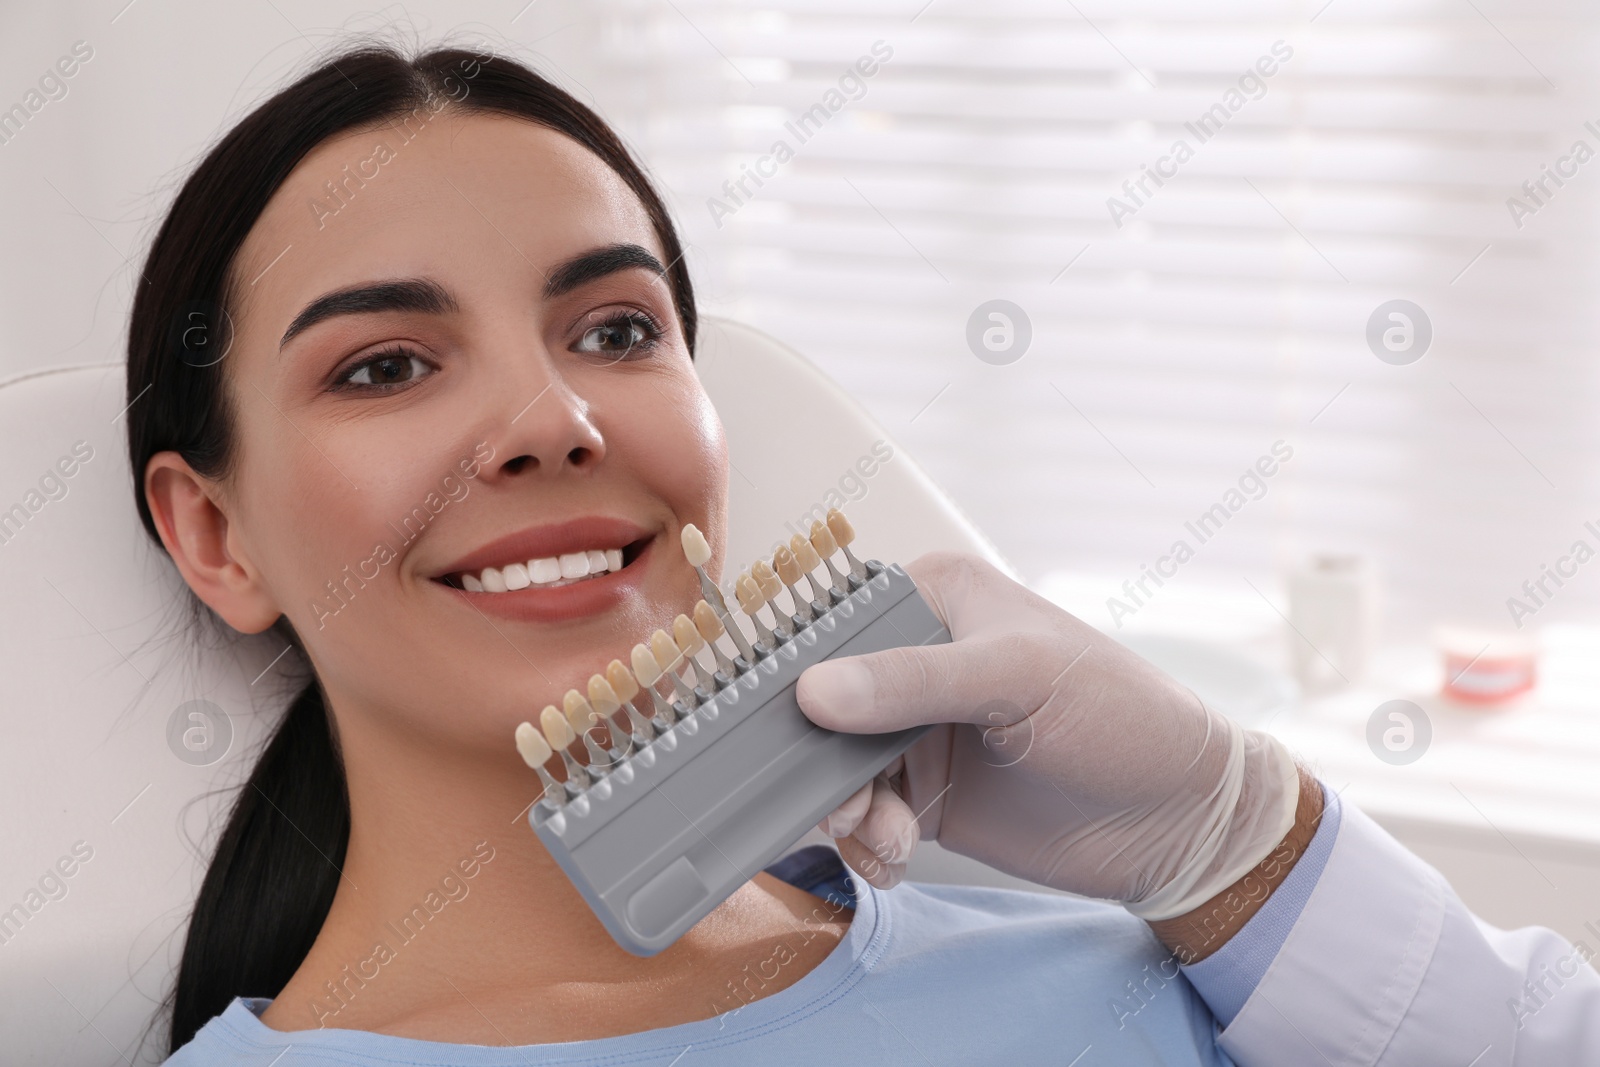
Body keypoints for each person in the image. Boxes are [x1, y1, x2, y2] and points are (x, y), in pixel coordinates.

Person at [129, 38, 1597, 1067]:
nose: (556, 416)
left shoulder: (1152, 979)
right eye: (385, 366)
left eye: (619, 329)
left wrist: (1242, 846)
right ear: (214, 535)